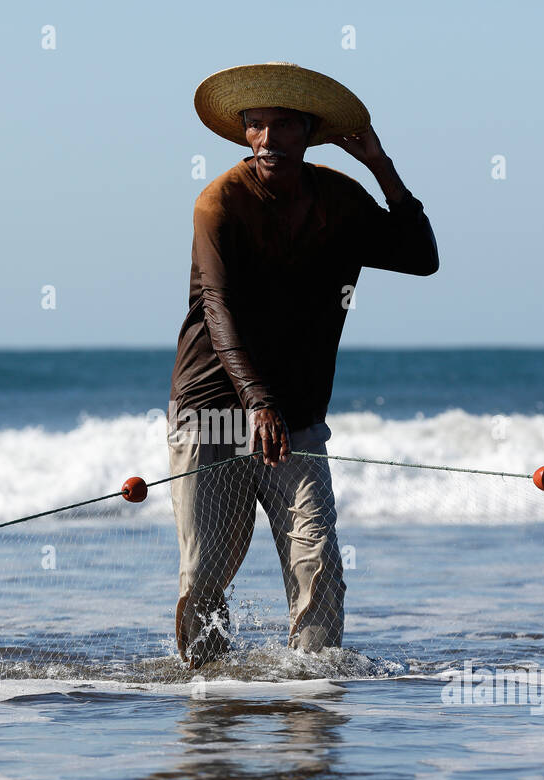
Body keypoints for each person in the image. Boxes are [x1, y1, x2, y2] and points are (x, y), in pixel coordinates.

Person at [168, 62, 438, 668]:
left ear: (309, 132)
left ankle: (313, 702)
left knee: (318, 565)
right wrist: (257, 401)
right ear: (244, 135)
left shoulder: (338, 198)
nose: (268, 141)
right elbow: (218, 305)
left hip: (298, 416)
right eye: (256, 127)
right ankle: (208, 702)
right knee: (206, 575)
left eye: (284, 126)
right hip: (211, 410)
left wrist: (380, 166)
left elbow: (422, 258)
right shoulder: (219, 204)